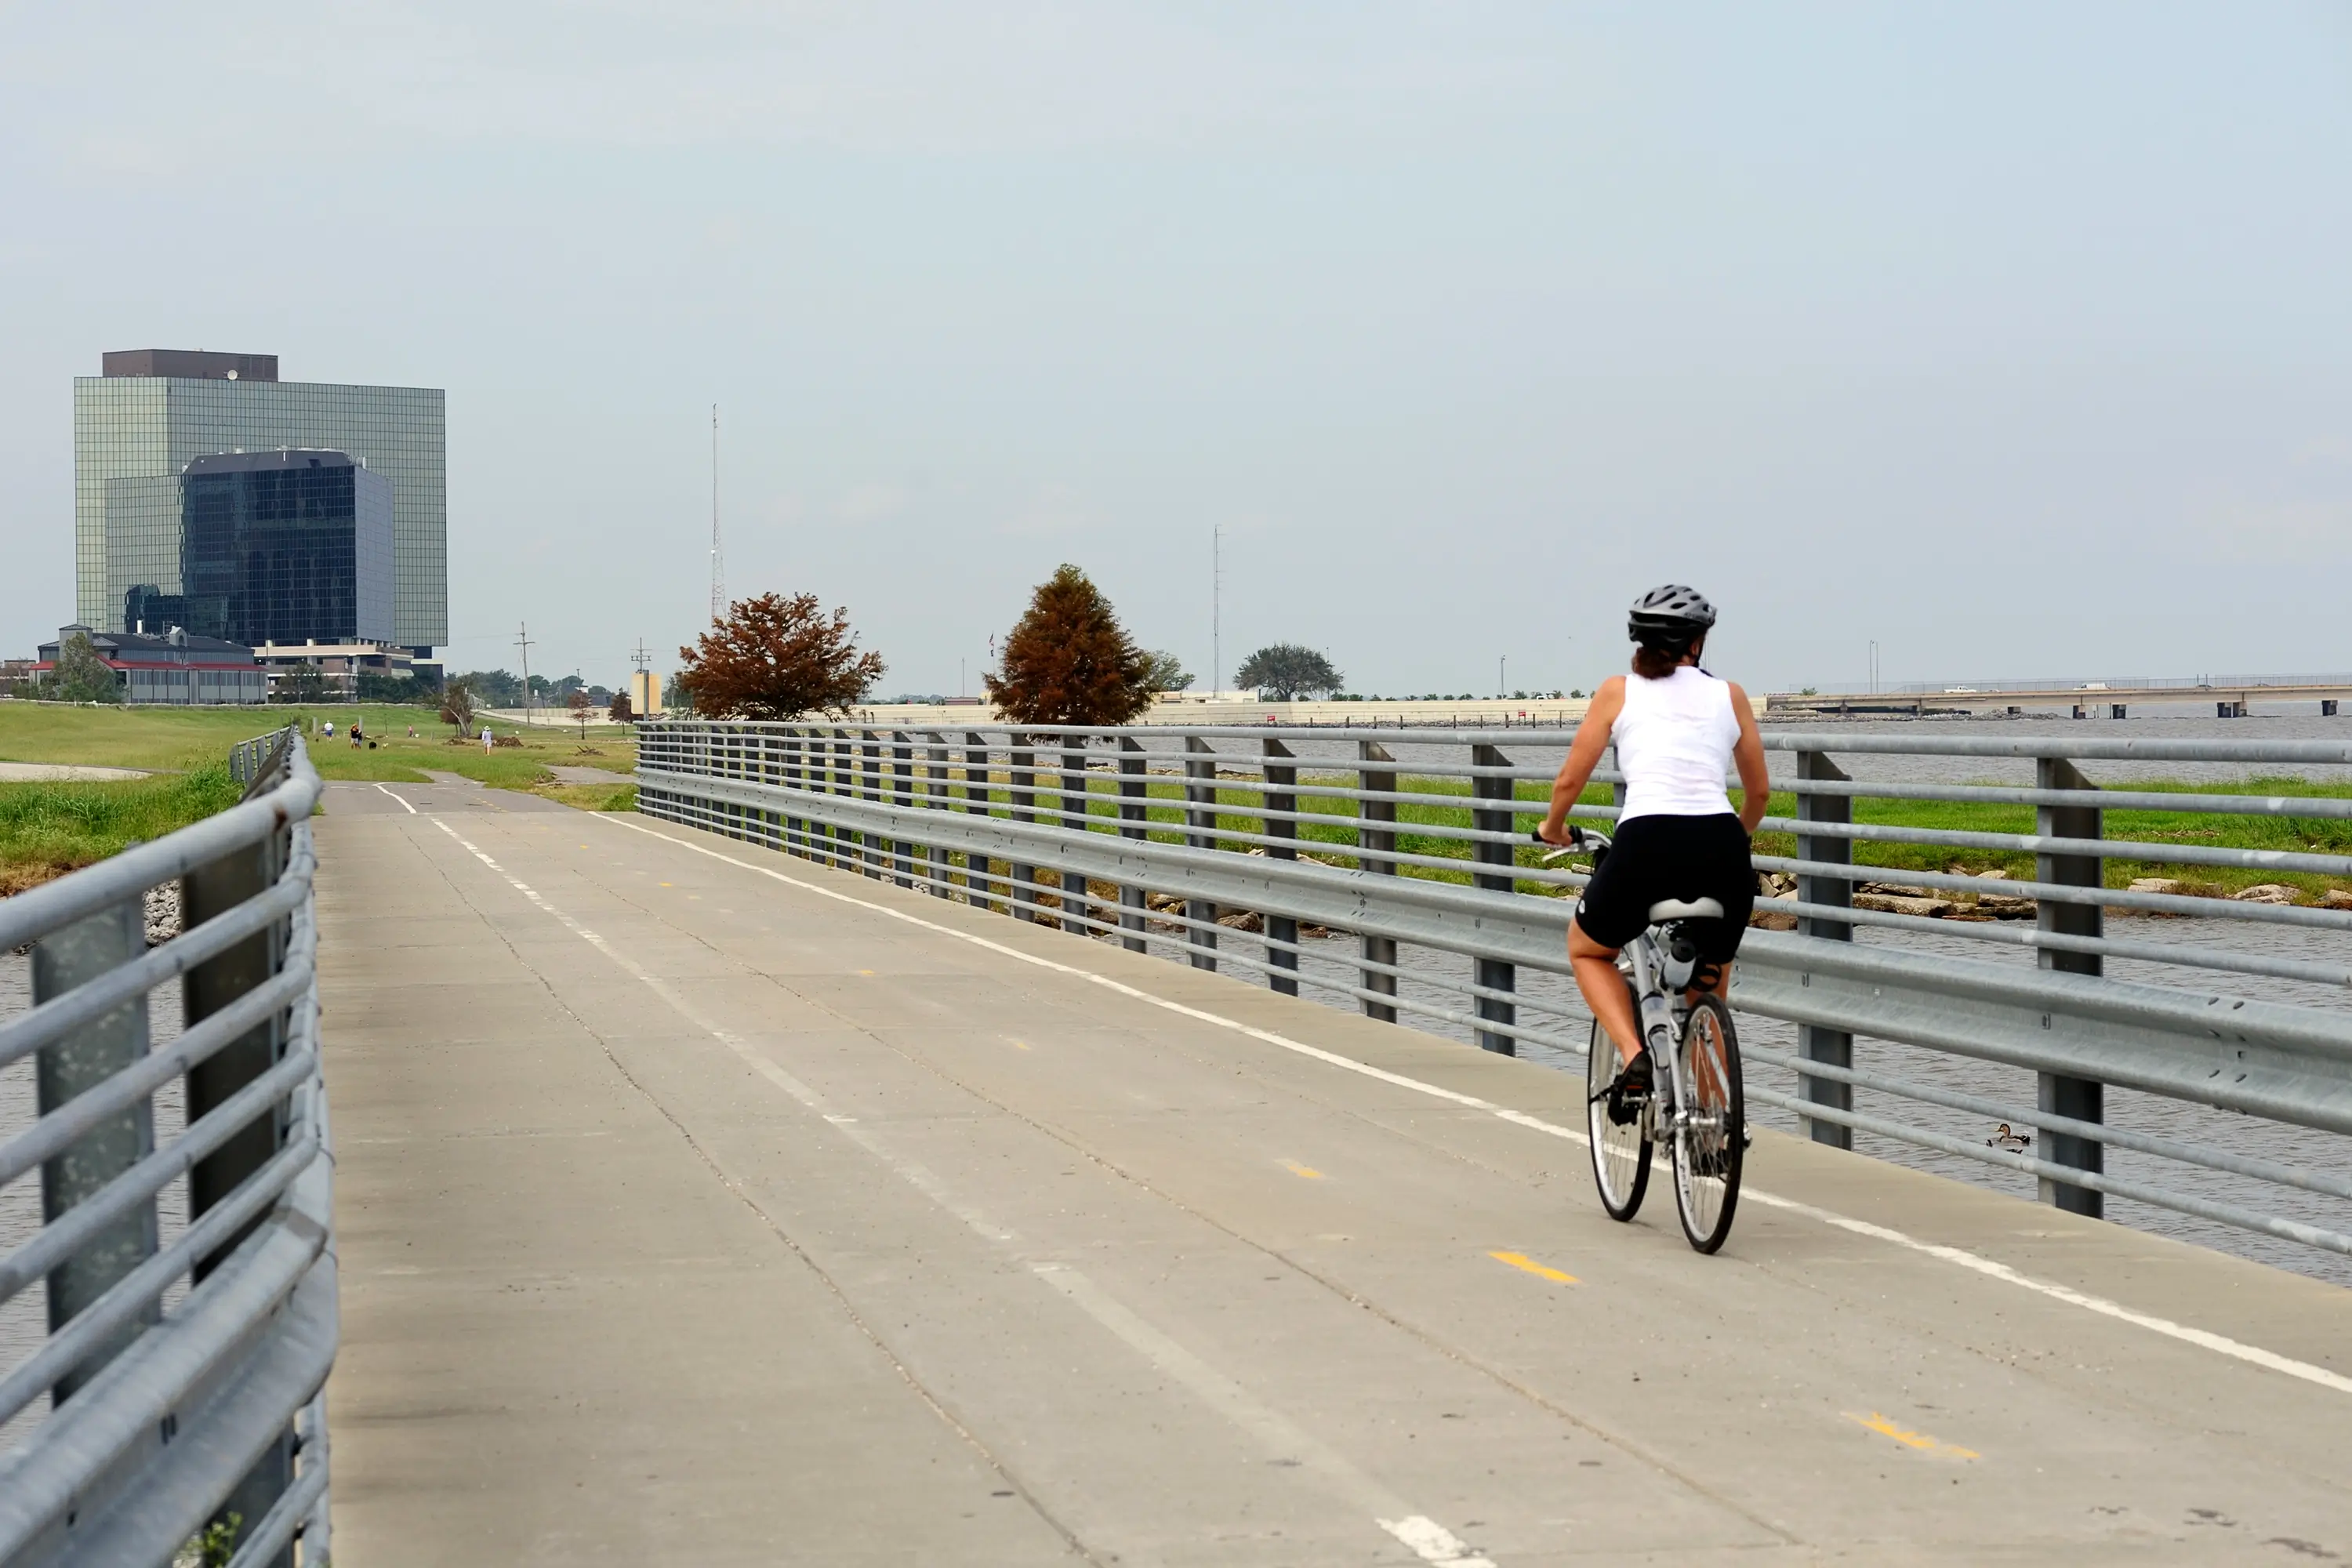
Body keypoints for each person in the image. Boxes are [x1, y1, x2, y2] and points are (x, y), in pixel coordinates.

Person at [1536, 585, 1769, 1102]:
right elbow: (1758, 792)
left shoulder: (1618, 692)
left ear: (1637, 641)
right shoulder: (1728, 695)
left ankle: (1634, 1053)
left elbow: (1569, 782)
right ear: (1698, 644)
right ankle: (1713, 1135)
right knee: (1708, 995)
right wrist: (1736, 839)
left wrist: (1554, 827)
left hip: (1647, 844)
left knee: (1587, 950)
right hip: (1721, 849)